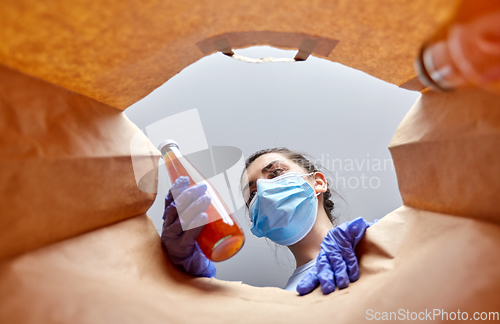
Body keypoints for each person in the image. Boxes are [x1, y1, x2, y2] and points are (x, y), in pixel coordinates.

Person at [161, 147, 374, 295]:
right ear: (256, 220)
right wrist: (186, 277)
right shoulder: (287, 300)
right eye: (252, 194)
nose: (263, 191)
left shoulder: (376, 243)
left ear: (318, 182)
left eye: (276, 173)